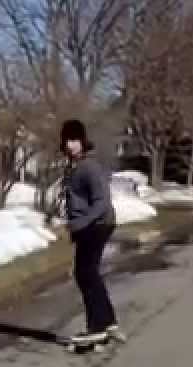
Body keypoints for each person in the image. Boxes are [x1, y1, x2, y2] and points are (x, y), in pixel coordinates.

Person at [61, 119, 123, 347]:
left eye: (75, 140)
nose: (71, 145)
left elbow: (102, 203)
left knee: (85, 273)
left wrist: (80, 224)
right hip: (90, 225)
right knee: (88, 273)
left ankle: (97, 326)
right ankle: (107, 322)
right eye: (67, 140)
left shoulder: (89, 167)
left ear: (83, 141)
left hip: (98, 224)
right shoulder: (74, 167)